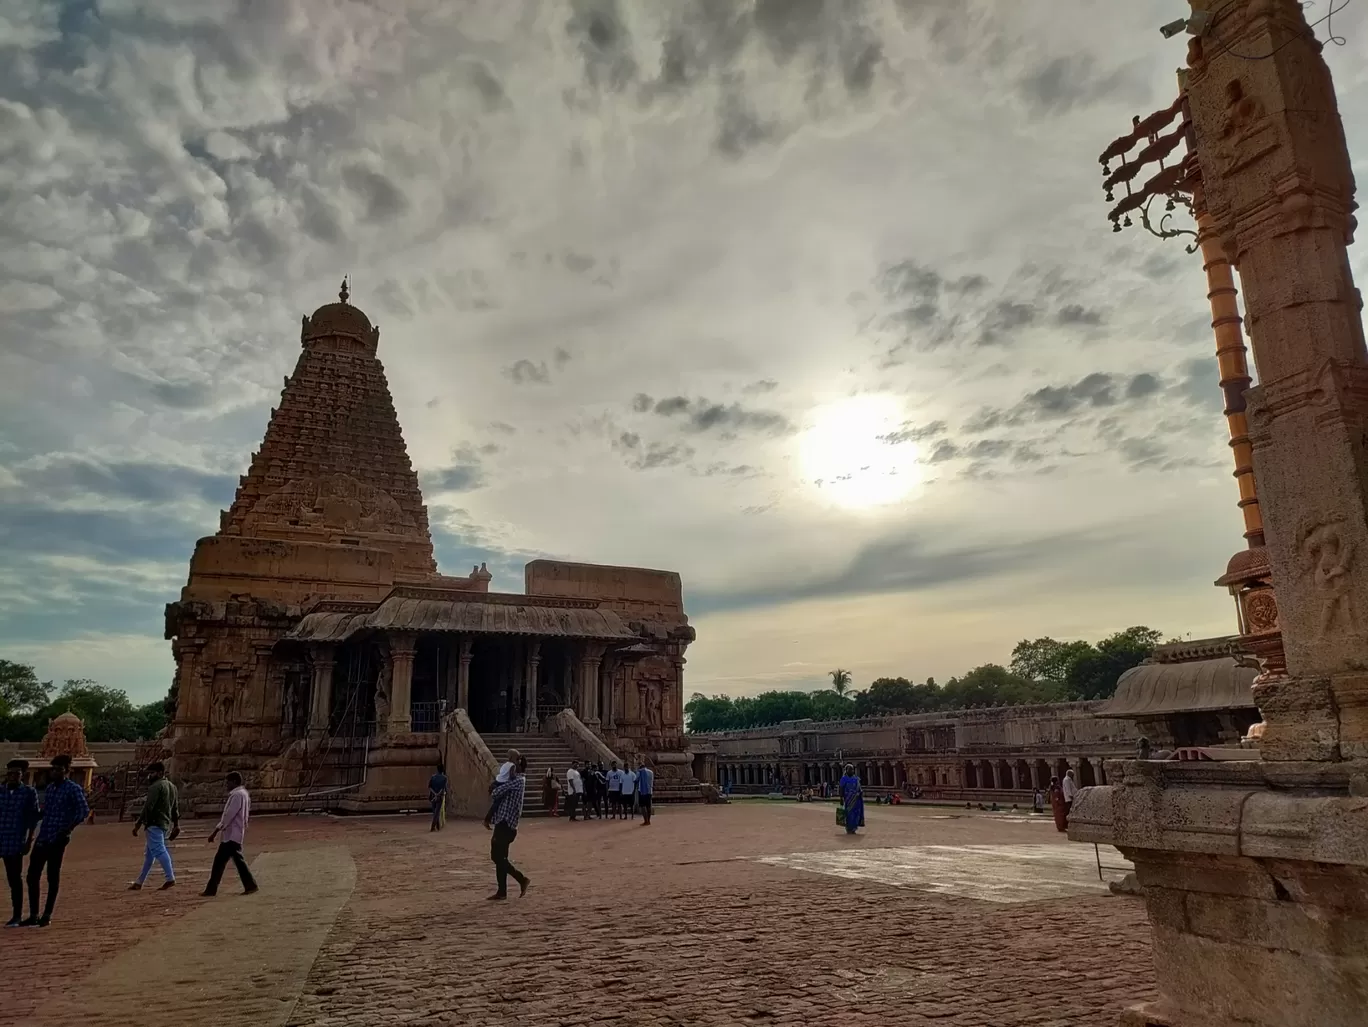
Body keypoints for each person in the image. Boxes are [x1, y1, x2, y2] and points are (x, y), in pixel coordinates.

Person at [25, 754, 89, 926]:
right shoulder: (51, 788)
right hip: (45, 834)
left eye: (59, 769)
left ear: (66, 771)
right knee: (32, 875)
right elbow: (46, 812)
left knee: (52, 876)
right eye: (53, 769)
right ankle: (33, 914)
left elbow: (83, 811)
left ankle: (47, 914)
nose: (54, 772)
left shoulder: (73, 789)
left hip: (58, 837)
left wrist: (68, 829)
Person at [202, 771, 259, 897]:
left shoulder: (237, 795)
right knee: (222, 862)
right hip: (235, 833)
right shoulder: (244, 794)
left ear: (234, 782)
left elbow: (228, 816)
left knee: (233, 861)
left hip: (231, 834)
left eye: (228, 782)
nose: (226, 784)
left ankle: (250, 884)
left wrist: (215, 831)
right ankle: (211, 889)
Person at [483, 755, 530, 900]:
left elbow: (496, 793)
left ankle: (521, 879)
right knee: (501, 857)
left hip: (506, 824)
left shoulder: (518, 781)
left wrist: (497, 785)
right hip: (504, 822)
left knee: (496, 856)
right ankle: (502, 891)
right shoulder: (514, 781)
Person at [129, 761, 179, 891]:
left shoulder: (155, 787)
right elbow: (175, 809)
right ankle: (139, 881)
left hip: (154, 823)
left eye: (152, 773)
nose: (150, 776)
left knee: (159, 850)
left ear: (160, 773)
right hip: (165, 823)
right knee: (150, 854)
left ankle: (170, 878)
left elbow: (148, 807)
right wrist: (176, 825)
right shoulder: (172, 786)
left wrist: (138, 824)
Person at [1, 759, 39, 927]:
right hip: (1, 836)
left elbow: (32, 819)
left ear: (22, 775)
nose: (12, 777)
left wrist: (29, 840)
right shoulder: (1, 792)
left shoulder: (29, 793)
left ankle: (17, 915)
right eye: (9, 774)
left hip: (16, 839)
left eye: (16, 774)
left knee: (14, 878)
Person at [837, 763, 864, 836]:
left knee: (856, 814)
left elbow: (860, 788)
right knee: (849, 814)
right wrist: (841, 798)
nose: (852, 770)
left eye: (852, 769)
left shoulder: (856, 778)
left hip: (856, 799)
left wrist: (860, 792)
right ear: (846, 770)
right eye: (850, 769)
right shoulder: (843, 779)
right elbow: (841, 789)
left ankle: (854, 828)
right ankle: (849, 828)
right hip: (848, 799)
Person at [428, 763, 449, 832]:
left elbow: (430, 787)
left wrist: (434, 793)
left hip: (433, 796)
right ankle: (433, 826)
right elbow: (443, 788)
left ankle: (438, 826)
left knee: (435, 812)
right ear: (442, 770)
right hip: (439, 797)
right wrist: (438, 794)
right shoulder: (444, 778)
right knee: (437, 812)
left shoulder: (433, 777)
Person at [635, 757, 654, 826]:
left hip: (642, 791)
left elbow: (636, 780)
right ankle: (648, 820)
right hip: (649, 791)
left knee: (643, 806)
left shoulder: (639, 772)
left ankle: (645, 820)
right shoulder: (651, 772)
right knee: (648, 806)